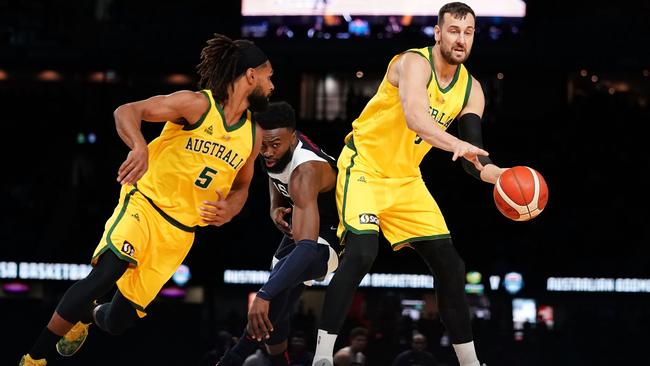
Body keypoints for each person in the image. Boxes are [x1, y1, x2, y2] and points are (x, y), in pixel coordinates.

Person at [19, 33, 274, 366]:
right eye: (269, 77)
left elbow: (243, 184)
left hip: (180, 232)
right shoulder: (196, 104)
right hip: (146, 204)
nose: (272, 86)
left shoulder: (252, 134)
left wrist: (231, 209)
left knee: (117, 321)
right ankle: (34, 358)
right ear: (251, 75)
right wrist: (139, 147)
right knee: (106, 272)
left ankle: (88, 316)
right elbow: (128, 111)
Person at [311, 3, 506, 366]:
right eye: (453, 30)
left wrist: (498, 175)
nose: (460, 39)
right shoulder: (413, 63)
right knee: (363, 253)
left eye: (468, 32)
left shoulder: (471, 89)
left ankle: (470, 362)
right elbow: (416, 117)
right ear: (437, 32)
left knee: (452, 266)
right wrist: (456, 145)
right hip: (365, 167)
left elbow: (474, 156)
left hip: (406, 181)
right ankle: (322, 356)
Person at [217, 101, 340, 366]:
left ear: (293, 139)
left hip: (332, 232)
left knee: (276, 289)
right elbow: (274, 173)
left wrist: (263, 295)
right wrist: (274, 207)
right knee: (280, 305)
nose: (268, 152)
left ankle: (233, 358)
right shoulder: (271, 145)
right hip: (303, 219)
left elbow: (306, 248)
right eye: (263, 144)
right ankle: (277, 361)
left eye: (275, 145)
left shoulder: (305, 172)